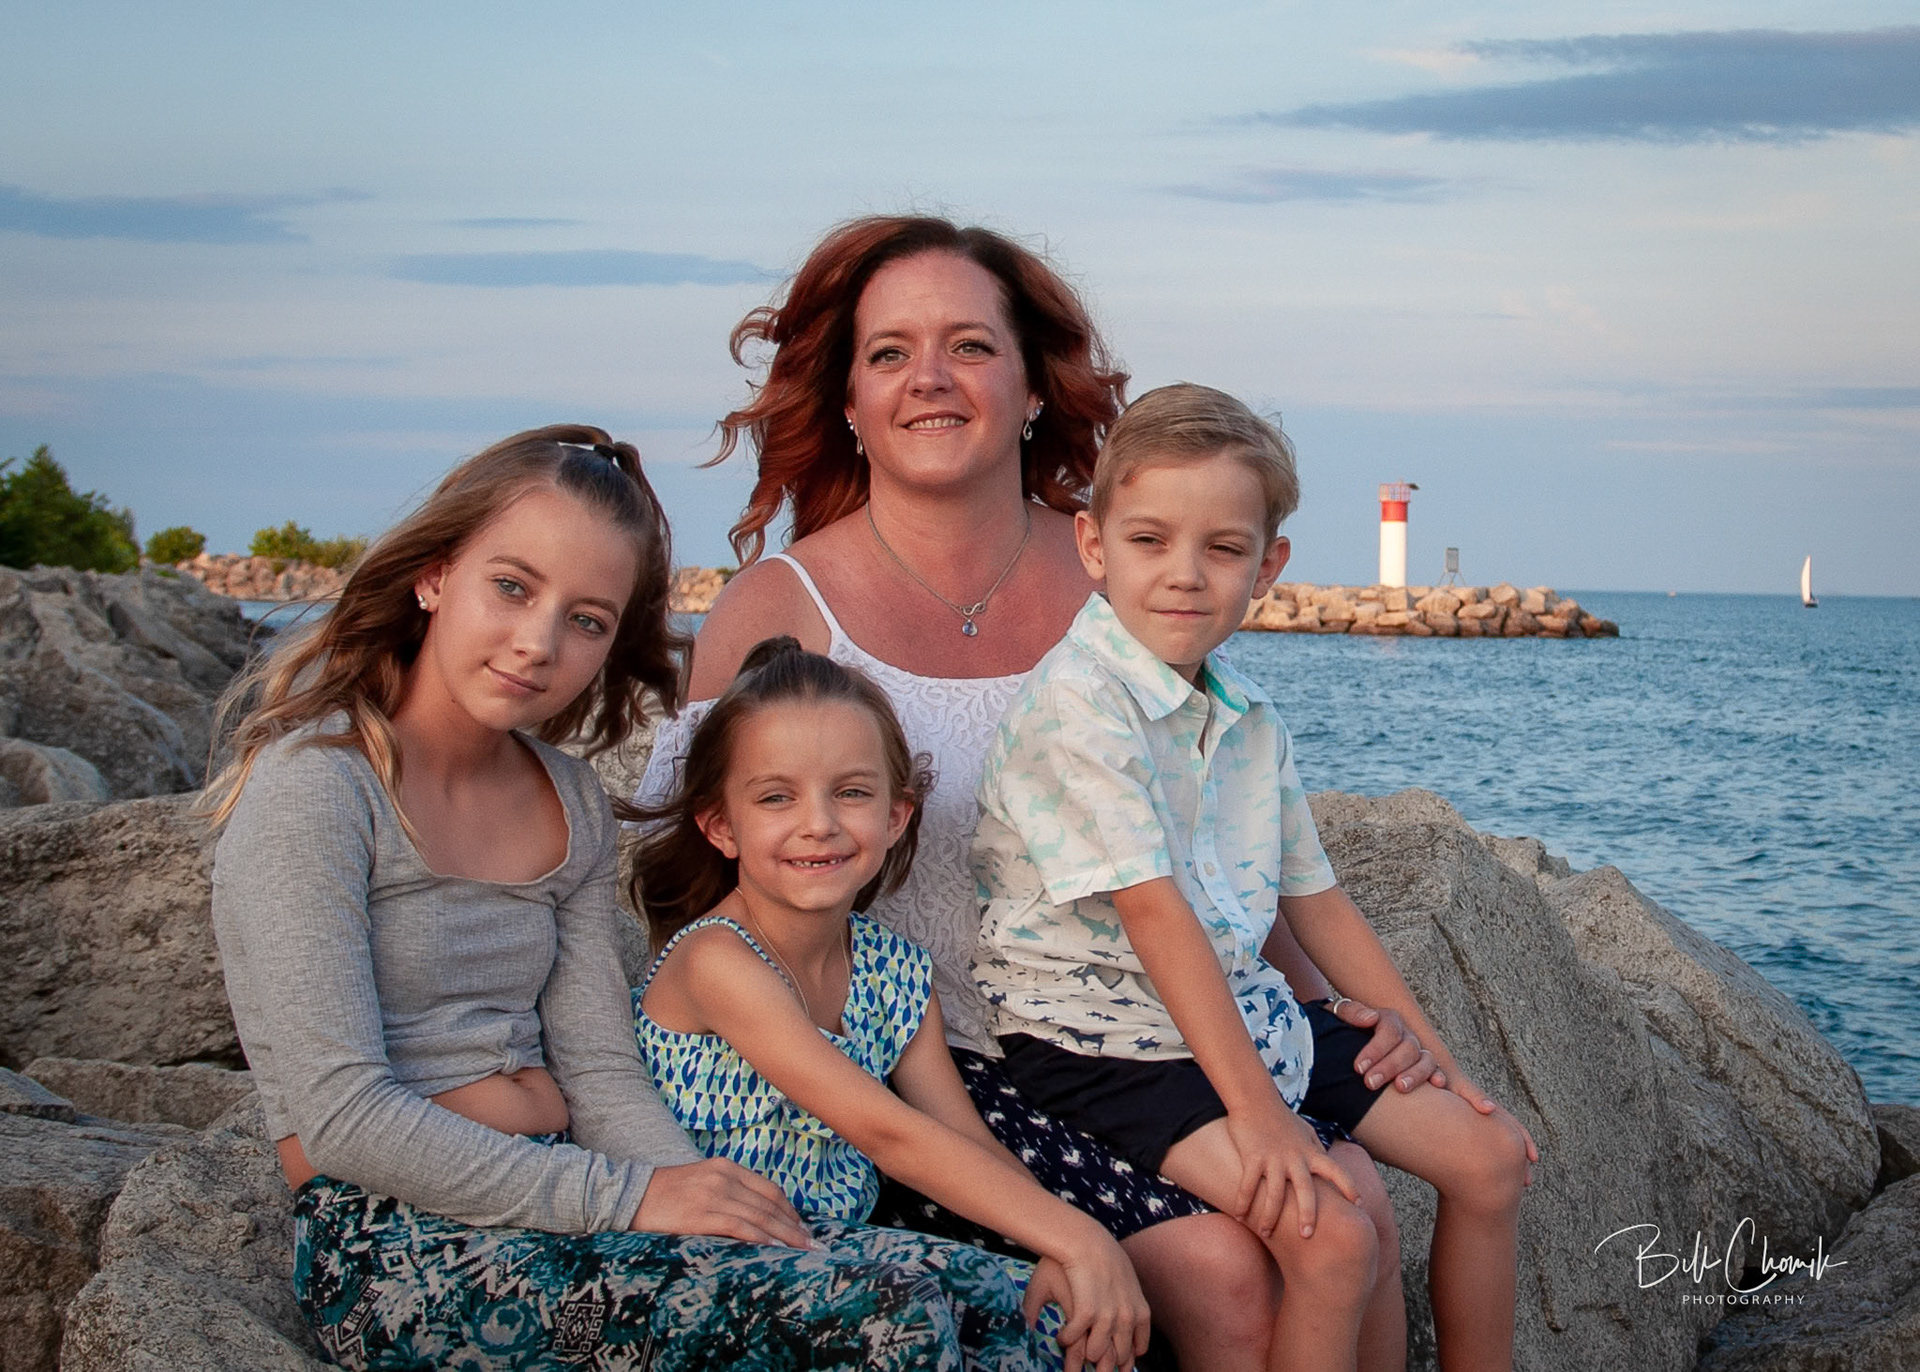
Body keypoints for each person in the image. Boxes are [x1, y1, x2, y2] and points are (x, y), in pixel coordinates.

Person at [641, 215, 1441, 1371]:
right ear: (851, 399)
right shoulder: (776, 608)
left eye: (969, 345)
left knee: (1352, 1202)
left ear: (1029, 389)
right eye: (889, 353)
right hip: (938, 1078)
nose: (930, 377)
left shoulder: (1128, 570)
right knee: (1228, 1274)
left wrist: (1325, 1013)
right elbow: (695, 889)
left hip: (1154, 1036)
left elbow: (1211, 823)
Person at [205, 424, 1022, 1371]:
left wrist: (691, 1191)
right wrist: (634, 1198)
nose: (537, 643)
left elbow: (597, 1067)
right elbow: (342, 1115)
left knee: (1008, 1299)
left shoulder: (567, 800)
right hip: (402, 1236)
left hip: (567, 1181)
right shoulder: (319, 788)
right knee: (887, 1315)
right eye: (512, 587)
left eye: (588, 620)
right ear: (434, 576)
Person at [973, 384, 1536, 1372]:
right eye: (1150, 540)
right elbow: (1153, 913)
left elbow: (1316, 899)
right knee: (1332, 1236)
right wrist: (1264, 1118)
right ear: (1094, 545)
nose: (1185, 574)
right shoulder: (1078, 706)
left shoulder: (1248, 713)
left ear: (1268, 568)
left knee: (1490, 1159)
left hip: (1237, 1011)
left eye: (1224, 549)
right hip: (1102, 1042)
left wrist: (1435, 1054)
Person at [630, 636, 1150, 1372]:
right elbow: (886, 1133)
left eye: (851, 792)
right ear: (721, 826)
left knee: (1054, 1318)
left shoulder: (895, 971)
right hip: (705, 1255)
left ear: (897, 816)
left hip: (835, 1252)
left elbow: (961, 1135)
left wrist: (1054, 1244)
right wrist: (1081, 1237)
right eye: (776, 797)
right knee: (912, 1316)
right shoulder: (718, 961)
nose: (819, 822)